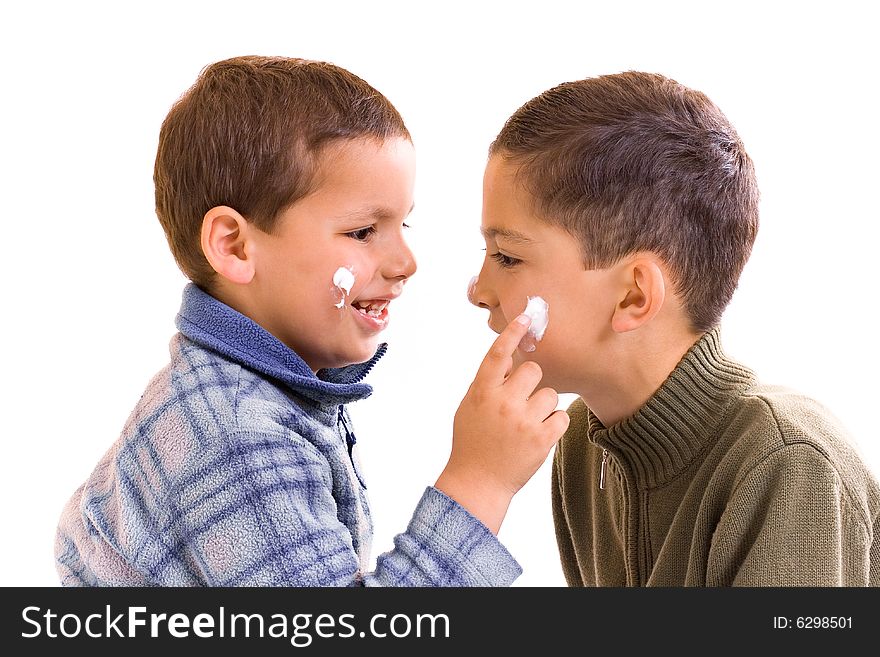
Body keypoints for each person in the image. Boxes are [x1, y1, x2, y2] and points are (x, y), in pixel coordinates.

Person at [54, 56, 568, 587]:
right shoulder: (234, 435)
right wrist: (481, 480)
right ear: (234, 246)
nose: (406, 263)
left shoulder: (255, 398)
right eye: (364, 231)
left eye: (403, 223)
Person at [468, 71, 880, 586]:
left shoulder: (786, 465)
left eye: (507, 256)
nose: (477, 291)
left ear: (634, 295)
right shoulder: (580, 448)